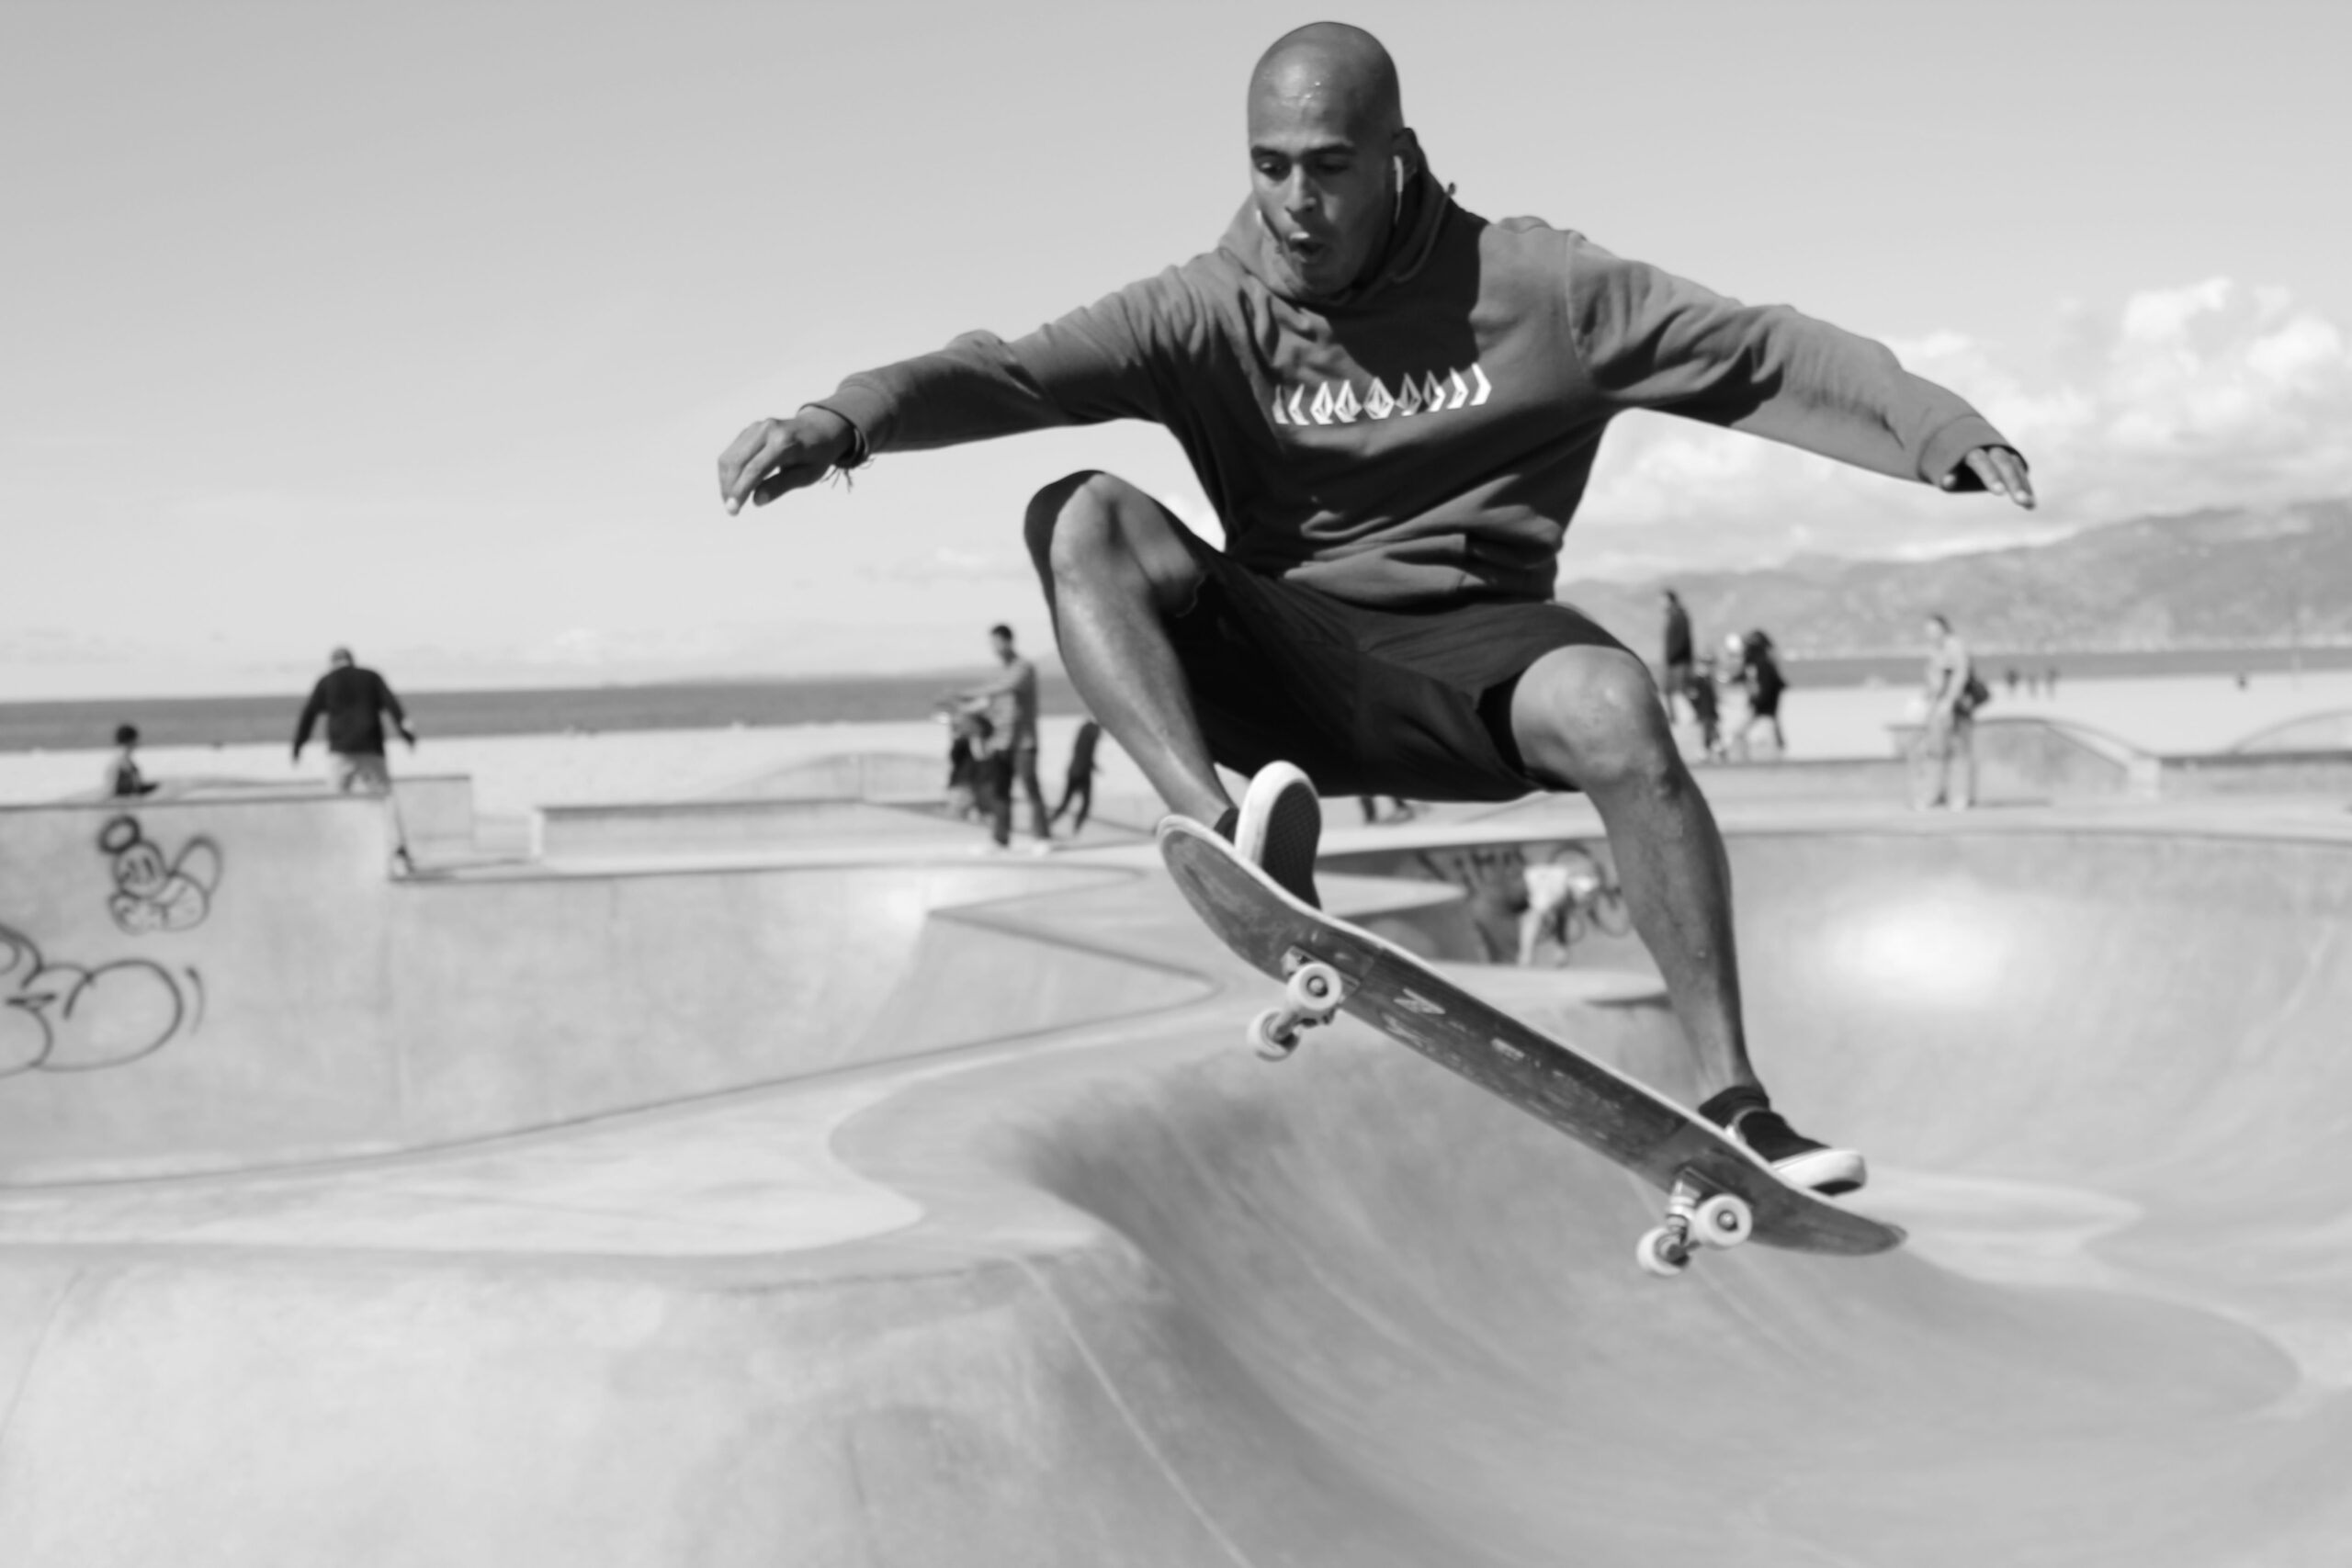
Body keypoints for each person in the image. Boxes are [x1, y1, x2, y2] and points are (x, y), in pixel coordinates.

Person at [716, 23, 2035, 1193]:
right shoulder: (1204, 308)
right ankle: (1225, 841)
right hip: (1280, 652)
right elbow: (1006, 372)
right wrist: (847, 421)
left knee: (1617, 705)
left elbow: (1757, 347)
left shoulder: (1545, 288)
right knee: (1080, 510)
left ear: (1398, 154)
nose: (1296, 201)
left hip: (1473, 651)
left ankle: (1736, 1103)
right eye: (1270, 165)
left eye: (1329, 166)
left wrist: (1932, 426)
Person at [292, 647, 416, 870]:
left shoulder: (327, 681)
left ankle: (331, 851)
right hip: (371, 749)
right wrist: (407, 736)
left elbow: (308, 714)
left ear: (333, 662)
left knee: (335, 801)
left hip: (341, 752)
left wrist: (298, 745)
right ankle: (399, 852)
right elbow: (393, 705)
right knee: (385, 800)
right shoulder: (371, 677)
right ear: (352, 660)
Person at [956, 625, 1049, 847]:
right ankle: (1000, 839)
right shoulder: (998, 671)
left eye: (997, 642)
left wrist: (966, 693)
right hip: (1000, 741)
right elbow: (989, 703)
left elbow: (1004, 688)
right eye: (992, 643)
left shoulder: (1023, 667)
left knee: (1031, 788)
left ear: (1008, 641)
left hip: (1024, 741)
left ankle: (1042, 838)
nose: (994, 647)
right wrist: (967, 712)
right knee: (1000, 791)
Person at [1916, 614, 1978, 810]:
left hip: (1956, 708)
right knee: (1935, 751)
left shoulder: (1954, 646)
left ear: (1944, 629)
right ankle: (1934, 794)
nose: (1931, 634)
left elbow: (1960, 674)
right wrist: (1926, 702)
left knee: (1958, 751)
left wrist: (1949, 702)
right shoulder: (1934, 650)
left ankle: (1960, 796)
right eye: (1928, 631)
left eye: (1935, 630)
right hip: (1937, 708)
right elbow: (1933, 681)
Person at [1731, 630, 1788, 760]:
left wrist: (1756, 704)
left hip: (1763, 716)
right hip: (1762, 716)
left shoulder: (1762, 666)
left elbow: (1765, 693)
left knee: (1753, 741)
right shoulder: (1760, 666)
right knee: (1739, 737)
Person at [1051, 718, 1105, 835]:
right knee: (1081, 803)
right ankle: (1073, 827)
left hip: (1076, 770)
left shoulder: (1086, 729)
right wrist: (1089, 765)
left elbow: (1083, 752)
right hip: (1081, 773)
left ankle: (1052, 823)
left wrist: (1093, 765)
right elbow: (1084, 753)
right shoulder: (1091, 730)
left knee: (1067, 803)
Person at [1659, 589, 1694, 723]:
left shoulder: (1679, 616)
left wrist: (1672, 656)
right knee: (1667, 690)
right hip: (1673, 660)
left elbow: (1682, 640)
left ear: (1670, 600)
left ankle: (1699, 713)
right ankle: (1672, 717)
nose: (1661, 603)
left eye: (1663, 600)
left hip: (1679, 661)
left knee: (1684, 690)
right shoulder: (1672, 616)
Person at [105, 723, 158, 798]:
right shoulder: (123, 760)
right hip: (123, 800)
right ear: (131, 740)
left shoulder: (118, 758)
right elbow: (133, 787)